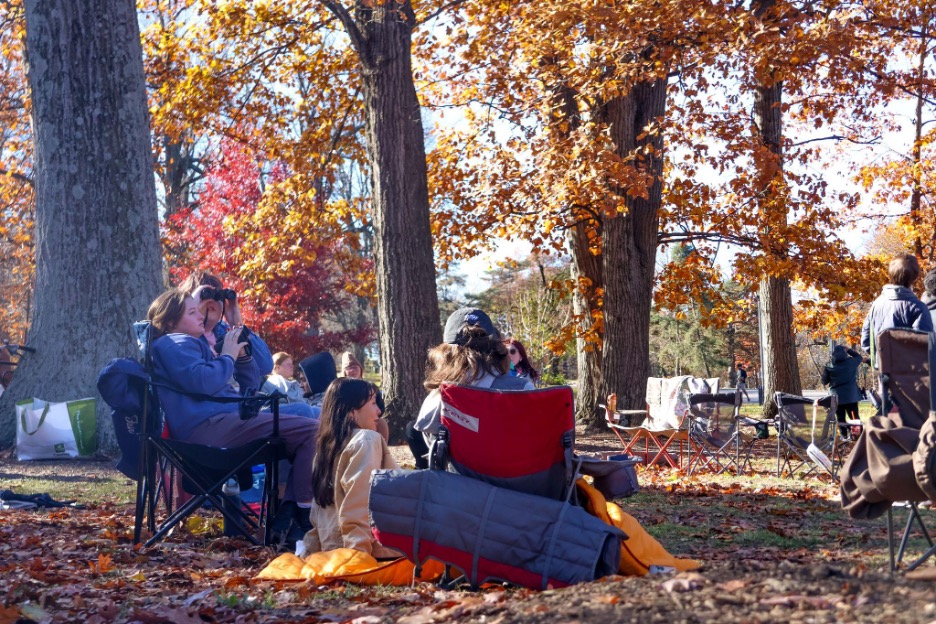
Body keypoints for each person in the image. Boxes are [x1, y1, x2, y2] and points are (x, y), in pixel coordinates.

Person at [146, 289, 318, 542]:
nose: (200, 317)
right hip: (208, 429)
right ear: (170, 321)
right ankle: (301, 514)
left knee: (310, 420)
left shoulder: (193, 345)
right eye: (192, 312)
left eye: (198, 310)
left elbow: (247, 389)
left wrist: (242, 357)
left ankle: (289, 509)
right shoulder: (174, 343)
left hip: (224, 420)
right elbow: (204, 382)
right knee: (313, 431)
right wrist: (226, 354)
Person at [407, 308, 535, 467]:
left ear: (444, 354)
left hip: (457, 487)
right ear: (497, 348)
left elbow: (431, 444)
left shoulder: (436, 399)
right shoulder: (522, 390)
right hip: (516, 486)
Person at [303, 378, 400, 559]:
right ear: (351, 412)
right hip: (370, 550)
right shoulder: (366, 440)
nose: (378, 411)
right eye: (372, 403)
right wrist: (357, 556)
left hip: (334, 548)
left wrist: (310, 554)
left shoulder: (325, 449)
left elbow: (318, 515)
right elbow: (361, 499)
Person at [179, 271, 274, 375]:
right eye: (205, 295)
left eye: (217, 296)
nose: (210, 301)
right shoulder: (177, 333)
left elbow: (265, 367)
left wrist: (237, 325)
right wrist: (192, 313)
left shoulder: (226, 333)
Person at [861, 253, 934, 367]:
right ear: (914, 277)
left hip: (883, 371)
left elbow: (866, 342)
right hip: (911, 376)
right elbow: (925, 347)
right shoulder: (918, 307)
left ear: (890, 274)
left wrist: (881, 356)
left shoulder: (876, 304)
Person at [821, 345, 864, 439]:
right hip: (851, 396)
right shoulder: (852, 362)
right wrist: (849, 350)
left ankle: (844, 436)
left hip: (837, 397)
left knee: (840, 418)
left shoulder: (829, 366)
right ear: (845, 354)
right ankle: (856, 437)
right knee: (854, 417)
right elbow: (859, 357)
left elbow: (824, 381)